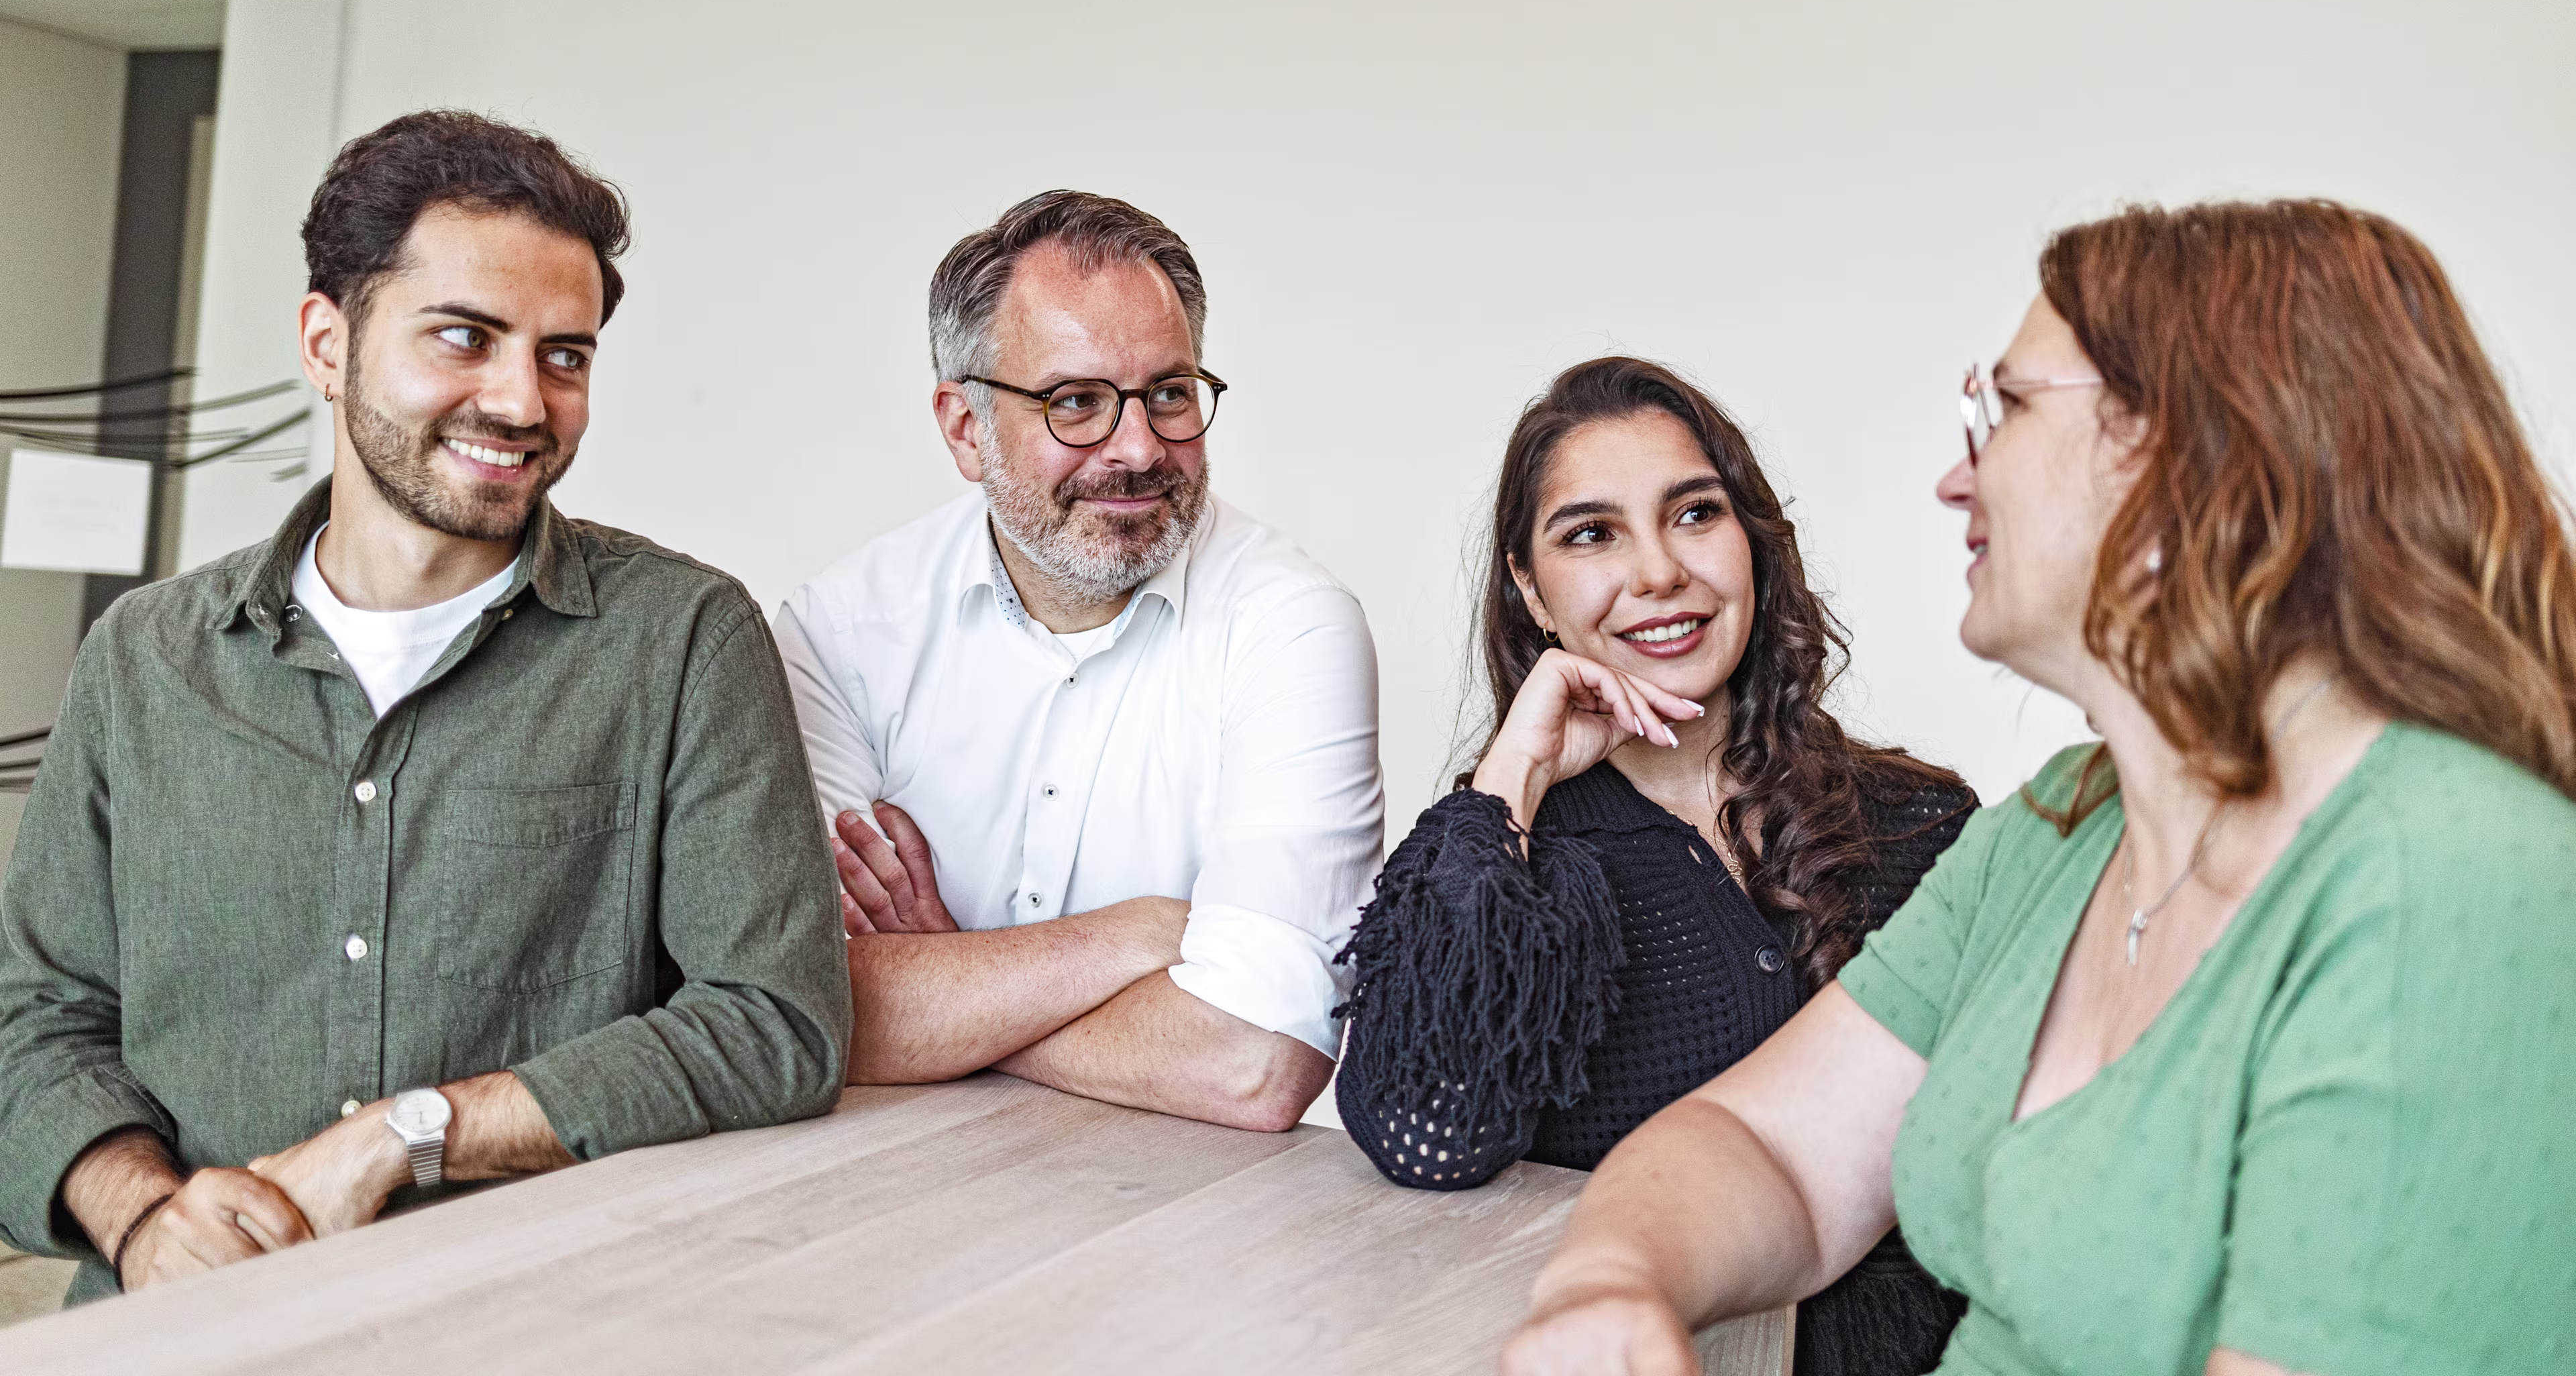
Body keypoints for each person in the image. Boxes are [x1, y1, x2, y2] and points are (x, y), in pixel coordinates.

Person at [1503, 201, 2576, 1376]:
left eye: (2002, 410)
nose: (1954, 481)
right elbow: (1773, 1151)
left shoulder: (2460, 877)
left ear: (2203, 456)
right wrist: (1609, 1283)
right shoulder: (2068, 823)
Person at [0, 111, 851, 1306]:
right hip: (178, 1329)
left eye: (565, 356)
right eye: (466, 337)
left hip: (530, 1326)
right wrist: (143, 1215)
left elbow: (776, 1024)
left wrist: (414, 1132)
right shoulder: (146, 660)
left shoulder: (684, 641)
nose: (522, 400)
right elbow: (31, 1021)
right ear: (327, 342)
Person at [1334, 357, 1972, 1375]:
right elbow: (1426, 1135)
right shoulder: (1503, 863)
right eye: (1592, 534)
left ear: (1753, 541)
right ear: (1529, 589)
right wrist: (1514, 777)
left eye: (1695, 514)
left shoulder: (1920, 820)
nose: (1659, 573)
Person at [775, 190, 1382, 1132]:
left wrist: (954, 983)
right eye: (1077, 404)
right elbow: (792, 1008)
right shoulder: (841, 632)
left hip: (1194, 1223)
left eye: (1170, 395)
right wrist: (1140, 937)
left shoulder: (1292, 626)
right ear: (965, 427)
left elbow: (1256, 1062)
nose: (1138, 448)